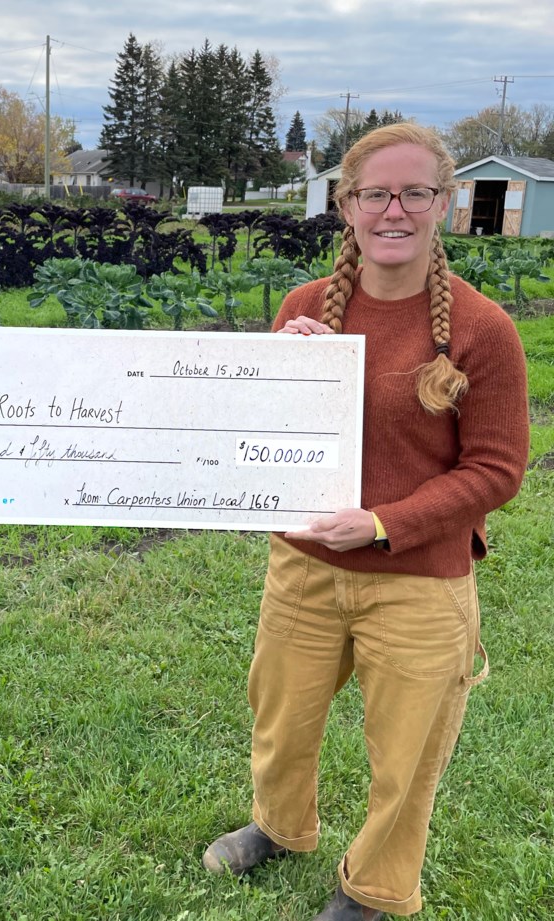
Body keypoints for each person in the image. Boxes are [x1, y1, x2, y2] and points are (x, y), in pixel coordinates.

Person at [201, 123, 529, 920]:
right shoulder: (306, 307)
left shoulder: (482, 330)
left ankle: (374, 887)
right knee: (280, 718)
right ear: (345, 206)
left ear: (443, 204)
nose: (395, 209)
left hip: (419, 578)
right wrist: (272, 367)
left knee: (407, 752)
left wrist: (384, 522)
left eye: (416, 193)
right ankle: (280, 825)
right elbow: (257, 437)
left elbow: (497, 469)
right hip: (304, 566)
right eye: (376, 193)